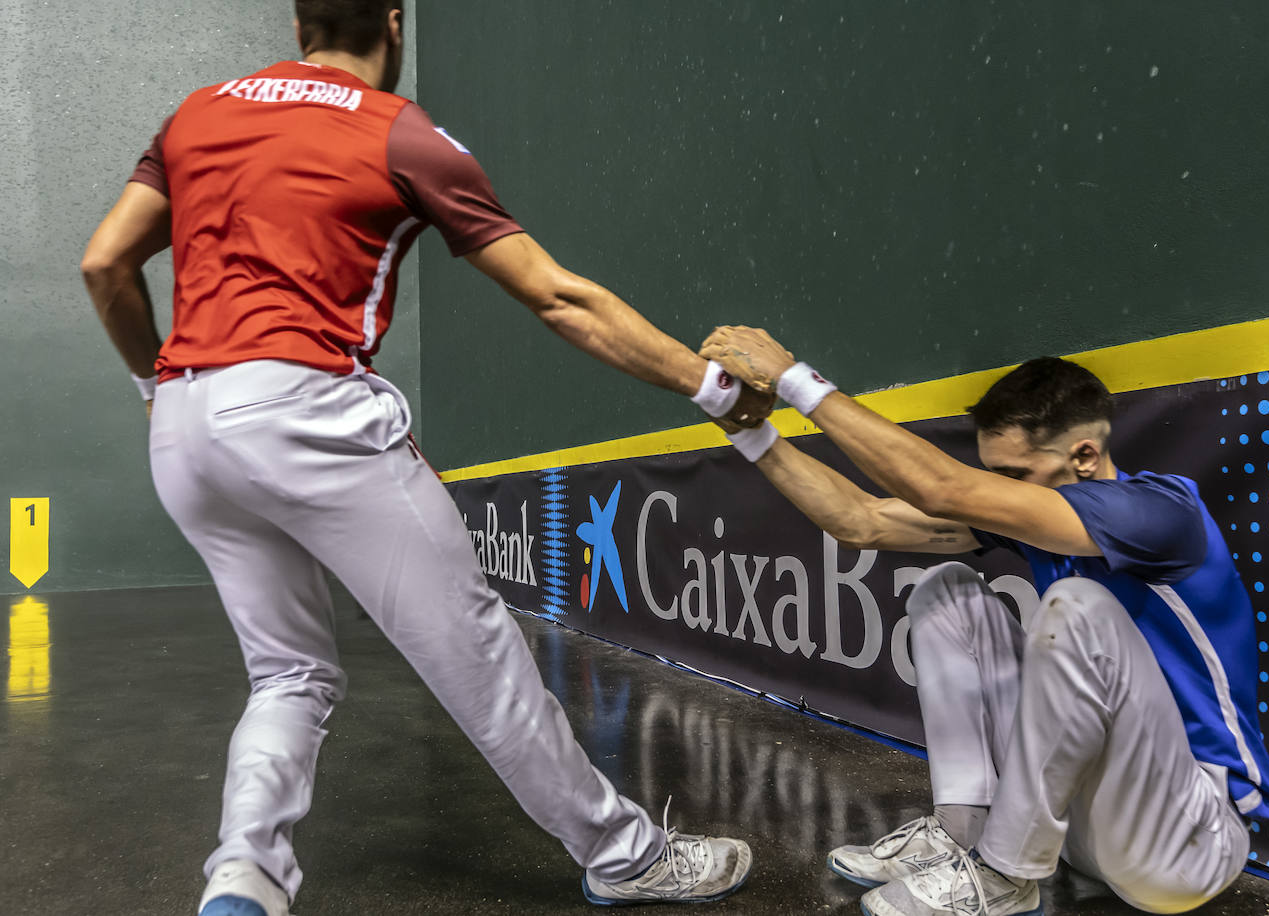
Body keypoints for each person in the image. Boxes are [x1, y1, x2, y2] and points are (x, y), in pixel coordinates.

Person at [80, 3, 767, 913]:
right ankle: (623, 853)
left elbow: (104, 263)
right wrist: (712, 386)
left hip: (185, 422)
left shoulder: (197, 111)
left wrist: (151, 385)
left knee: (288, 672)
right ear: (394, 23)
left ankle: (244, 874)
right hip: (306, 410)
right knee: (478, 651)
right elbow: (561, 299)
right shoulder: (401, 134)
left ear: (298, 22)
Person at [700, 326, 1269, 916]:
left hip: (1186, 843)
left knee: (1077, 607)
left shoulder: (1161, 513)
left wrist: (795, 380)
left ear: (1083, 455)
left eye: (1014, 475)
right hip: (1081, 834)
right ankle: (964, 831)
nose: (997, 492)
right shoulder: (1047, 526)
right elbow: (861, 520)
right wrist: (747, 429)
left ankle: (1003, 875)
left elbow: (943, 488)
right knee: (948, 592)